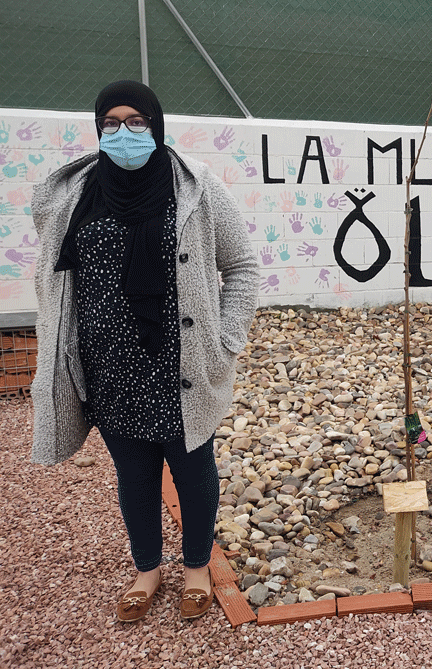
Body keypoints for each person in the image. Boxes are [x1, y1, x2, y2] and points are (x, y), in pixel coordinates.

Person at [30, 80, 258, 622]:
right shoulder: (71, 194)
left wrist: (226, 342)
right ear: (97, 128)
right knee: (132, 478)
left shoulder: (197, 188)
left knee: (193, 473)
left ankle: (198, 568)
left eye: (136, 122)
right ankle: (147, 571)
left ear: (155, 125)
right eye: (111, 123)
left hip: (180, 368)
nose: (124, 133)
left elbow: (243, 269)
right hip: (109, 369)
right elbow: (54, 277)